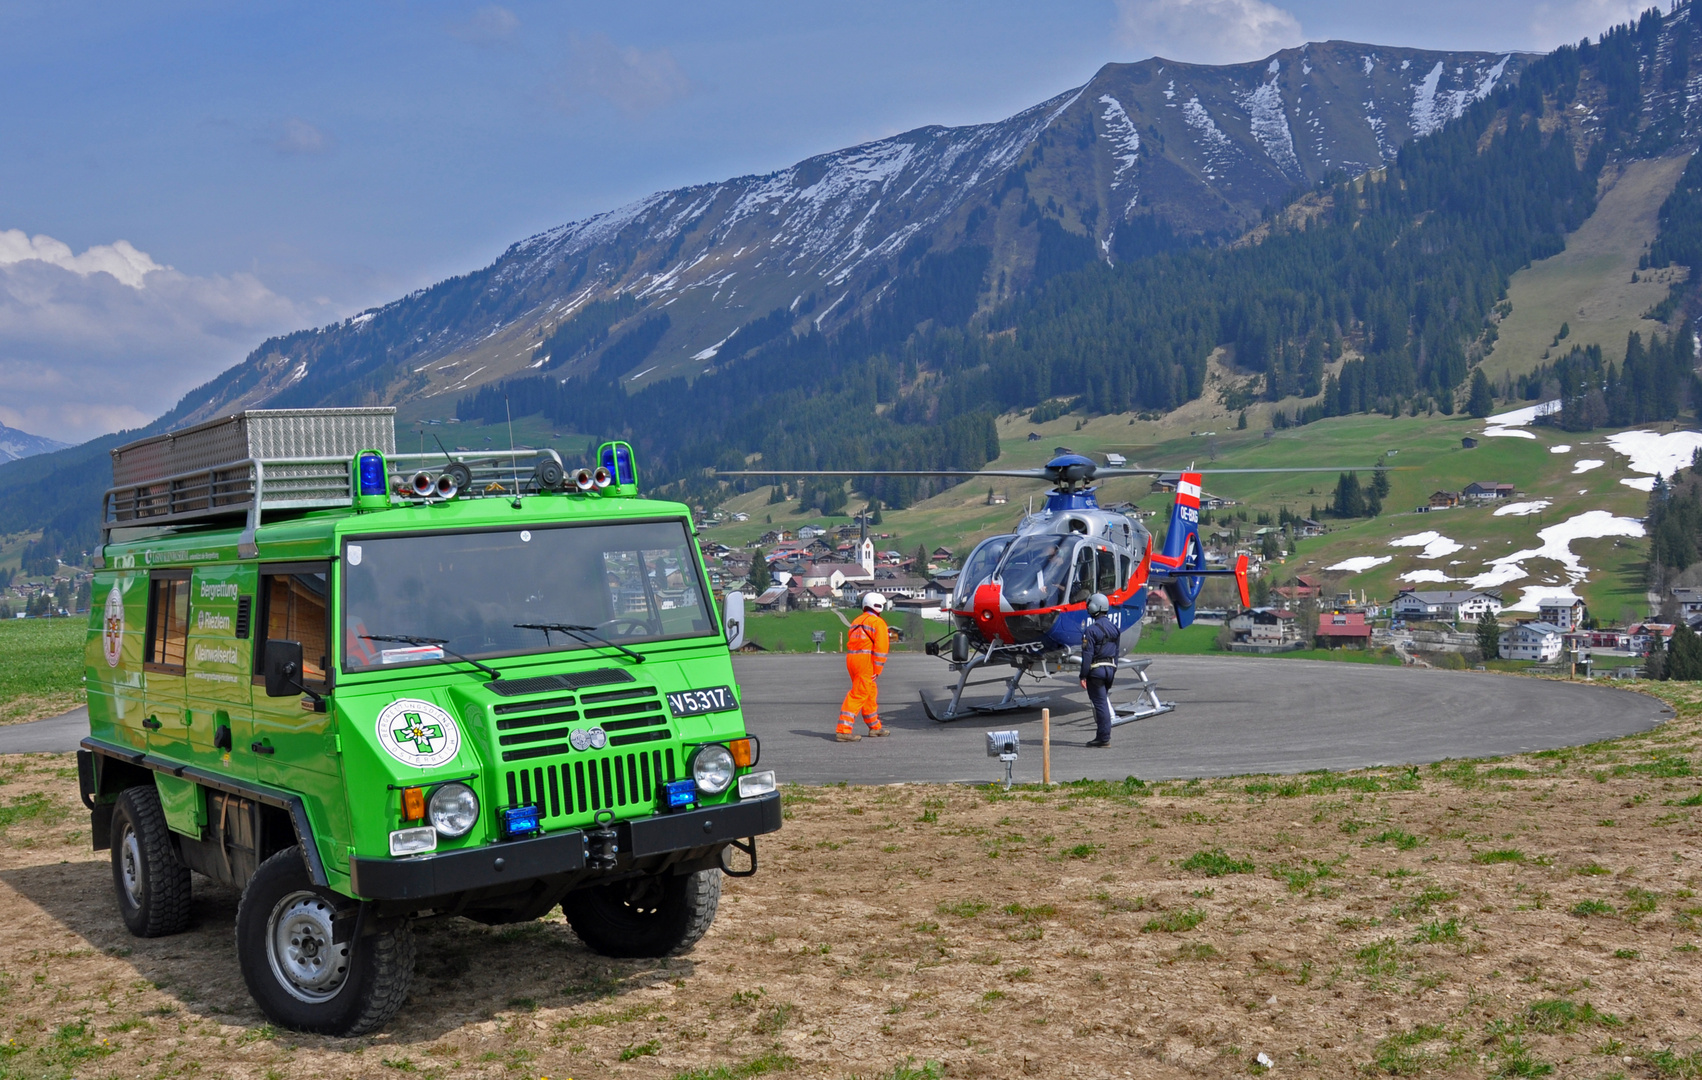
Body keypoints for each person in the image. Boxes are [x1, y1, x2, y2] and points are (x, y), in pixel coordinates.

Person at [838, 592, 891, 742]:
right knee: (859, 694)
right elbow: (881, 649)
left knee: (869, 693)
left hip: (852, 660)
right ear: (878, 606)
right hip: (865, 662)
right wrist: (877, 669)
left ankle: (875, 727)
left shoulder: (856, 621)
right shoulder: (877, 623)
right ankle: (843, 730)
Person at [1079, 593, 1120, 747]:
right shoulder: (1115, 628)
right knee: (1103, 702)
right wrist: (1113, 670)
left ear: (1093, 607)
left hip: (1096, 671)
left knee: (1101, 704)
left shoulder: (1091, 630)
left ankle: (1103, 738)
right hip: (1110, 670)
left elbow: (1087, 655)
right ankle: (1102, 735)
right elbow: (1116, 654)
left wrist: (1083, 675)